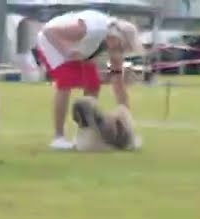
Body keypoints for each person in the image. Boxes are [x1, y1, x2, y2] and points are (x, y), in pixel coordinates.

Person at [33, 10, 143, 150]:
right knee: (66, 81)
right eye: (121, 46)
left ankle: (85, 133)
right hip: (52, 44)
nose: (119, 51)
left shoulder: (113, 46)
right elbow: (49, 32)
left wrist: (126, 118)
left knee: (93, 84)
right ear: (116, 36)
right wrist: (66, 52)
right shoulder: (91, 29)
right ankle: (58, 137)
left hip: (80, 49)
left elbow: (118, 82)